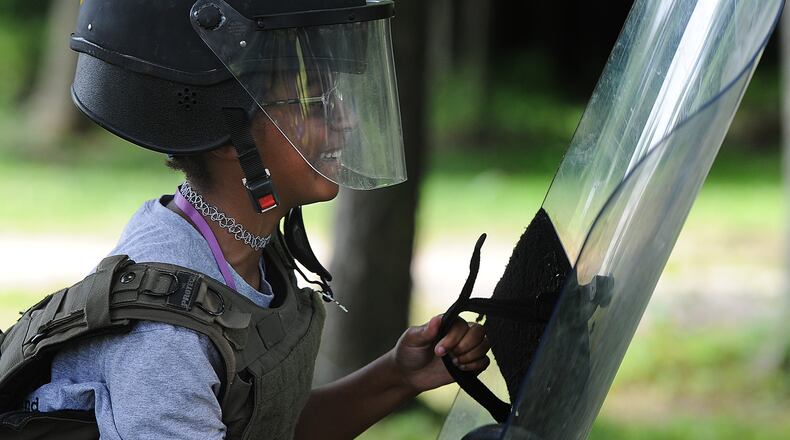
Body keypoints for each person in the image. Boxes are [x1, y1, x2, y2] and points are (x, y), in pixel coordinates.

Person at [1, 1, 491, 439]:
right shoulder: (164, 340)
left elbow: (267, 427)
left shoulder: (237, 247)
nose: (349, 120)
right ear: (224, 131)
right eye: (314, 101)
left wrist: (397, 377)